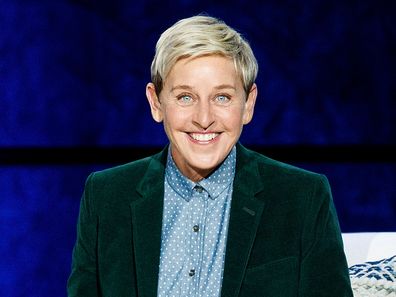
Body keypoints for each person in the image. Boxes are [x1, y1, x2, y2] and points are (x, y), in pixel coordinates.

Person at [67, 15, 353, 297]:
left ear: (248, 105)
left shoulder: (302, 198)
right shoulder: (105, 196)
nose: (204, 119)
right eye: (185, 97)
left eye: (222, 98)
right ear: (156, 103)